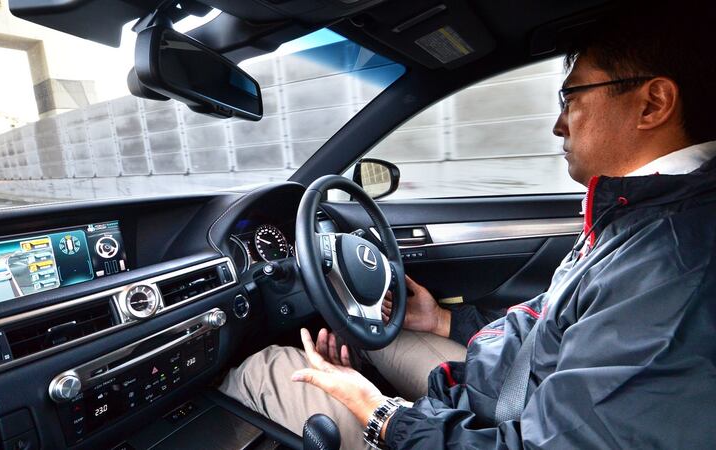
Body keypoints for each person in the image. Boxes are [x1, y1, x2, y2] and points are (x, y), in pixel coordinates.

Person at [219, 4, 716, 448]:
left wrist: (380, 414)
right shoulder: (640, 212)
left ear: (652, 104)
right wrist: (442, 322)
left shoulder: (673, 262)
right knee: (378, 338)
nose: (558, 124)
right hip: (500, 396)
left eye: (572, 98)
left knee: (262, 372)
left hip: (498, 424)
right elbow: (547, 323)